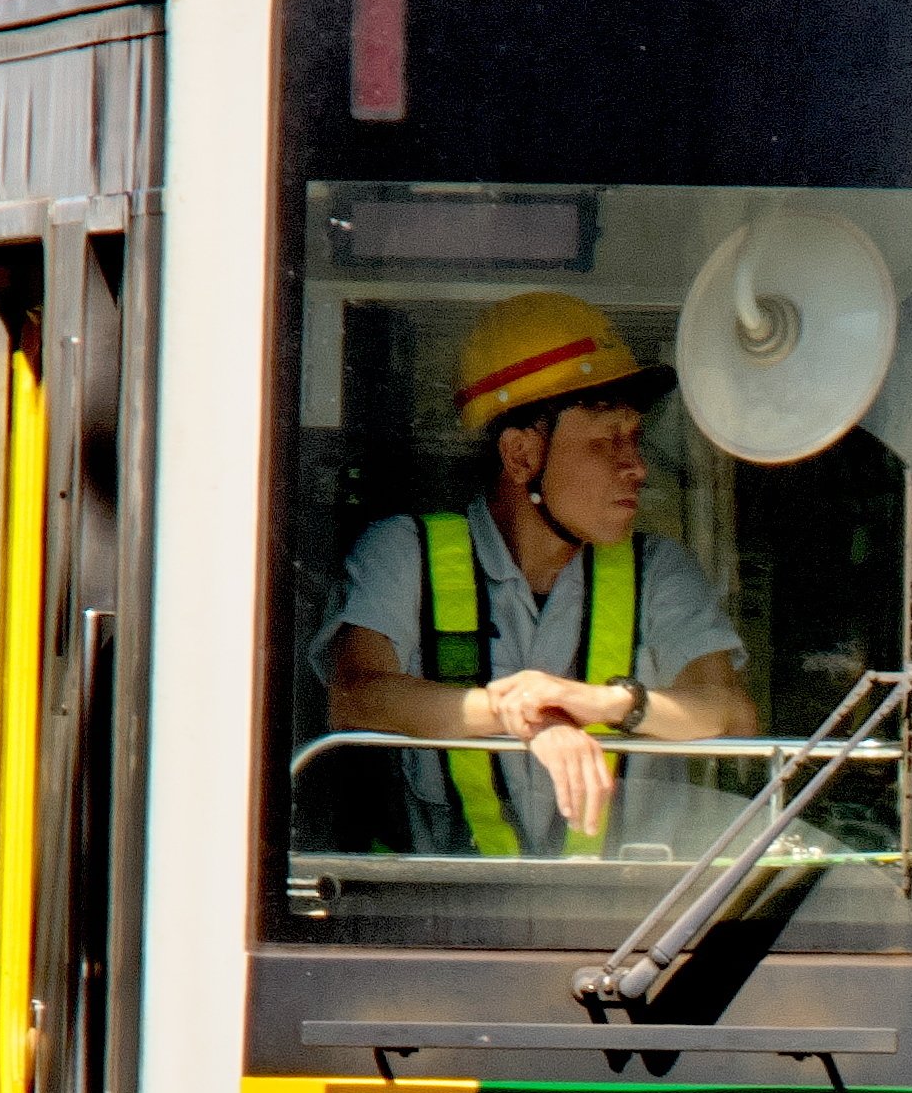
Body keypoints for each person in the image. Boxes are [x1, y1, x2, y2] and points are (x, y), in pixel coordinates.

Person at [320, 290, 758, 855]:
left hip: (636, 920)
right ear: (521, 454)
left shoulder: (660, 570)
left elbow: (732, 712)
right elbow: (354, 695)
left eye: (635, 440)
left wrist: (604, 704)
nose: (639, 468)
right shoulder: (404, 554)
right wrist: (524, 718)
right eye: (605, 444)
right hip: (440, 919)